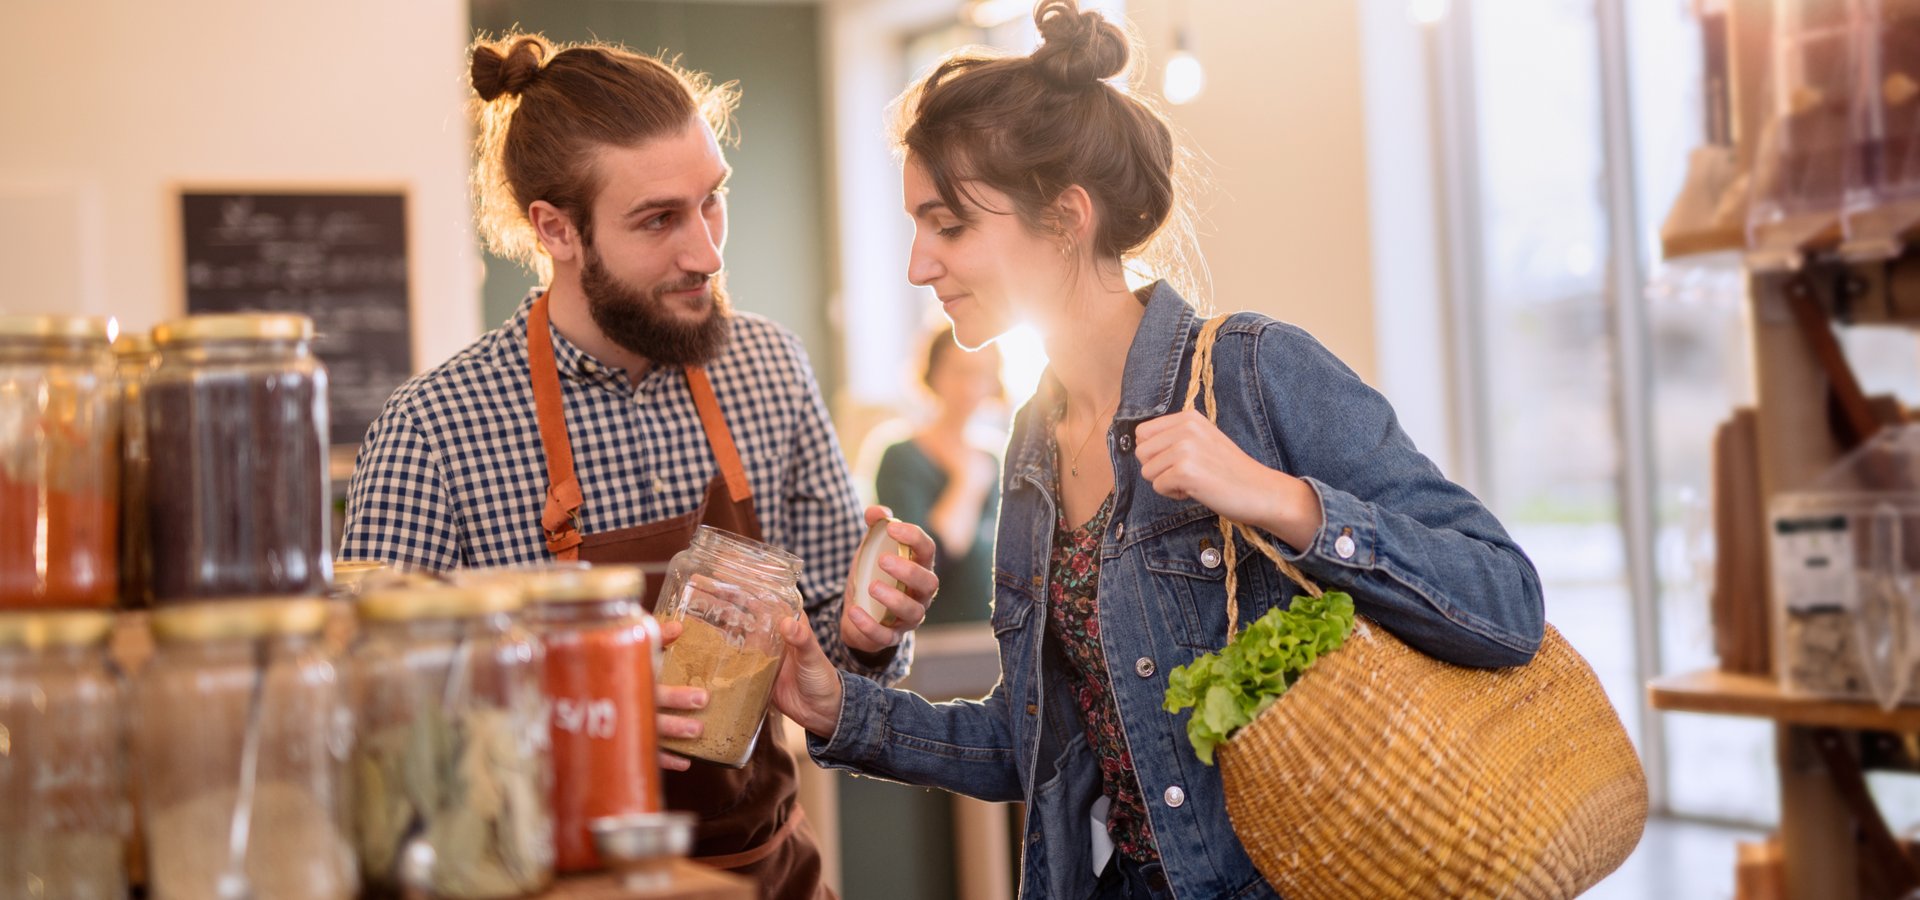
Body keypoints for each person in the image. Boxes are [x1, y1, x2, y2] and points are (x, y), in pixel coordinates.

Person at [768, 3, 1547, 899]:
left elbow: (1507, 601)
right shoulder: (1031, 444)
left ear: (1065, 219)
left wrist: (1281, 501)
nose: (917, 265)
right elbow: (1044, 751)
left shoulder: (1255, 370)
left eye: (948, 226)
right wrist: (842, 710)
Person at [341, 34, 939, 900]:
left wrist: (873, 631)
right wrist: (571, 715)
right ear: (555, 229)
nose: (707, 253)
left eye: (713, 203)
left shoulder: (767, 368)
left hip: (766, 872)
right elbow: (371, 723)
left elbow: (831, 658)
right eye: (659, 219)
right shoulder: (433, 429)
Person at [874, 328, 1002, 627]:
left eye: (983, 373)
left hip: (988, 634)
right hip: (931, 637)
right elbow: (928, 562)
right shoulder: (902, 457)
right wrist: (966, 482)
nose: (971, 387)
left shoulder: (995, 459)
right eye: (960, 371)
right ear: (933, 373)